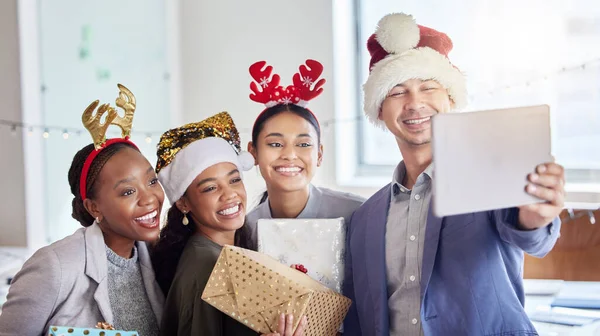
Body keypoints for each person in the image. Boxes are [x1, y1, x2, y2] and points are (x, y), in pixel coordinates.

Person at [342, 13, 565, 336]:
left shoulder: (492, 175)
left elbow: (533, 234)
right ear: (379, 109)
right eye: (397, 91)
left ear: (450, 98)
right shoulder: (364, 218)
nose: (414, 103)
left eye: (428, 87)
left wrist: (537, 216)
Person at [0, 84, 164, 336]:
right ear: (93, 206)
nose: (149, 199)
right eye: (128, 191)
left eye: (152, 181)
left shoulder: (156, 255)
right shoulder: (55, 267)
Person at [151, 112, 307, 336]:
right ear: (184, 204)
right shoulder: (207, 264)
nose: (230, 195)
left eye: (234, 180)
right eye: (210, 188)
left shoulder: (231, 254)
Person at [245, 60, 365, 249]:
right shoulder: (246, 230)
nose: (290, 154)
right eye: (275, 144)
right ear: (253, 152)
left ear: (319, 154)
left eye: (303, 144)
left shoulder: (357, 213)